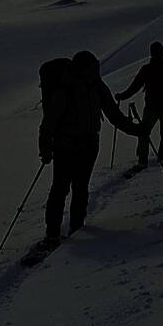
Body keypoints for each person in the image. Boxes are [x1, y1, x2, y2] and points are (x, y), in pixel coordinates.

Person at [38, 51, 140, 244]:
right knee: (64, 189)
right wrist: (45, 149)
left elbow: (113, 114)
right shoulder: (67, 89)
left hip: (82, 146)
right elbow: (48, 124)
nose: (96, 72)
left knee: (74, 188)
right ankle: (56, 231)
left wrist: (136, 130)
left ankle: (71, 228)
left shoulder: (96, 86)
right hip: (70, 147)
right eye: (92, 68)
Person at [116, 41, 163, 169]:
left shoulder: (148, 69)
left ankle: (143, 159)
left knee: (144, 132)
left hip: (153, 107)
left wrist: (123, 96)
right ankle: (161, 155)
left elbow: (135, 86)